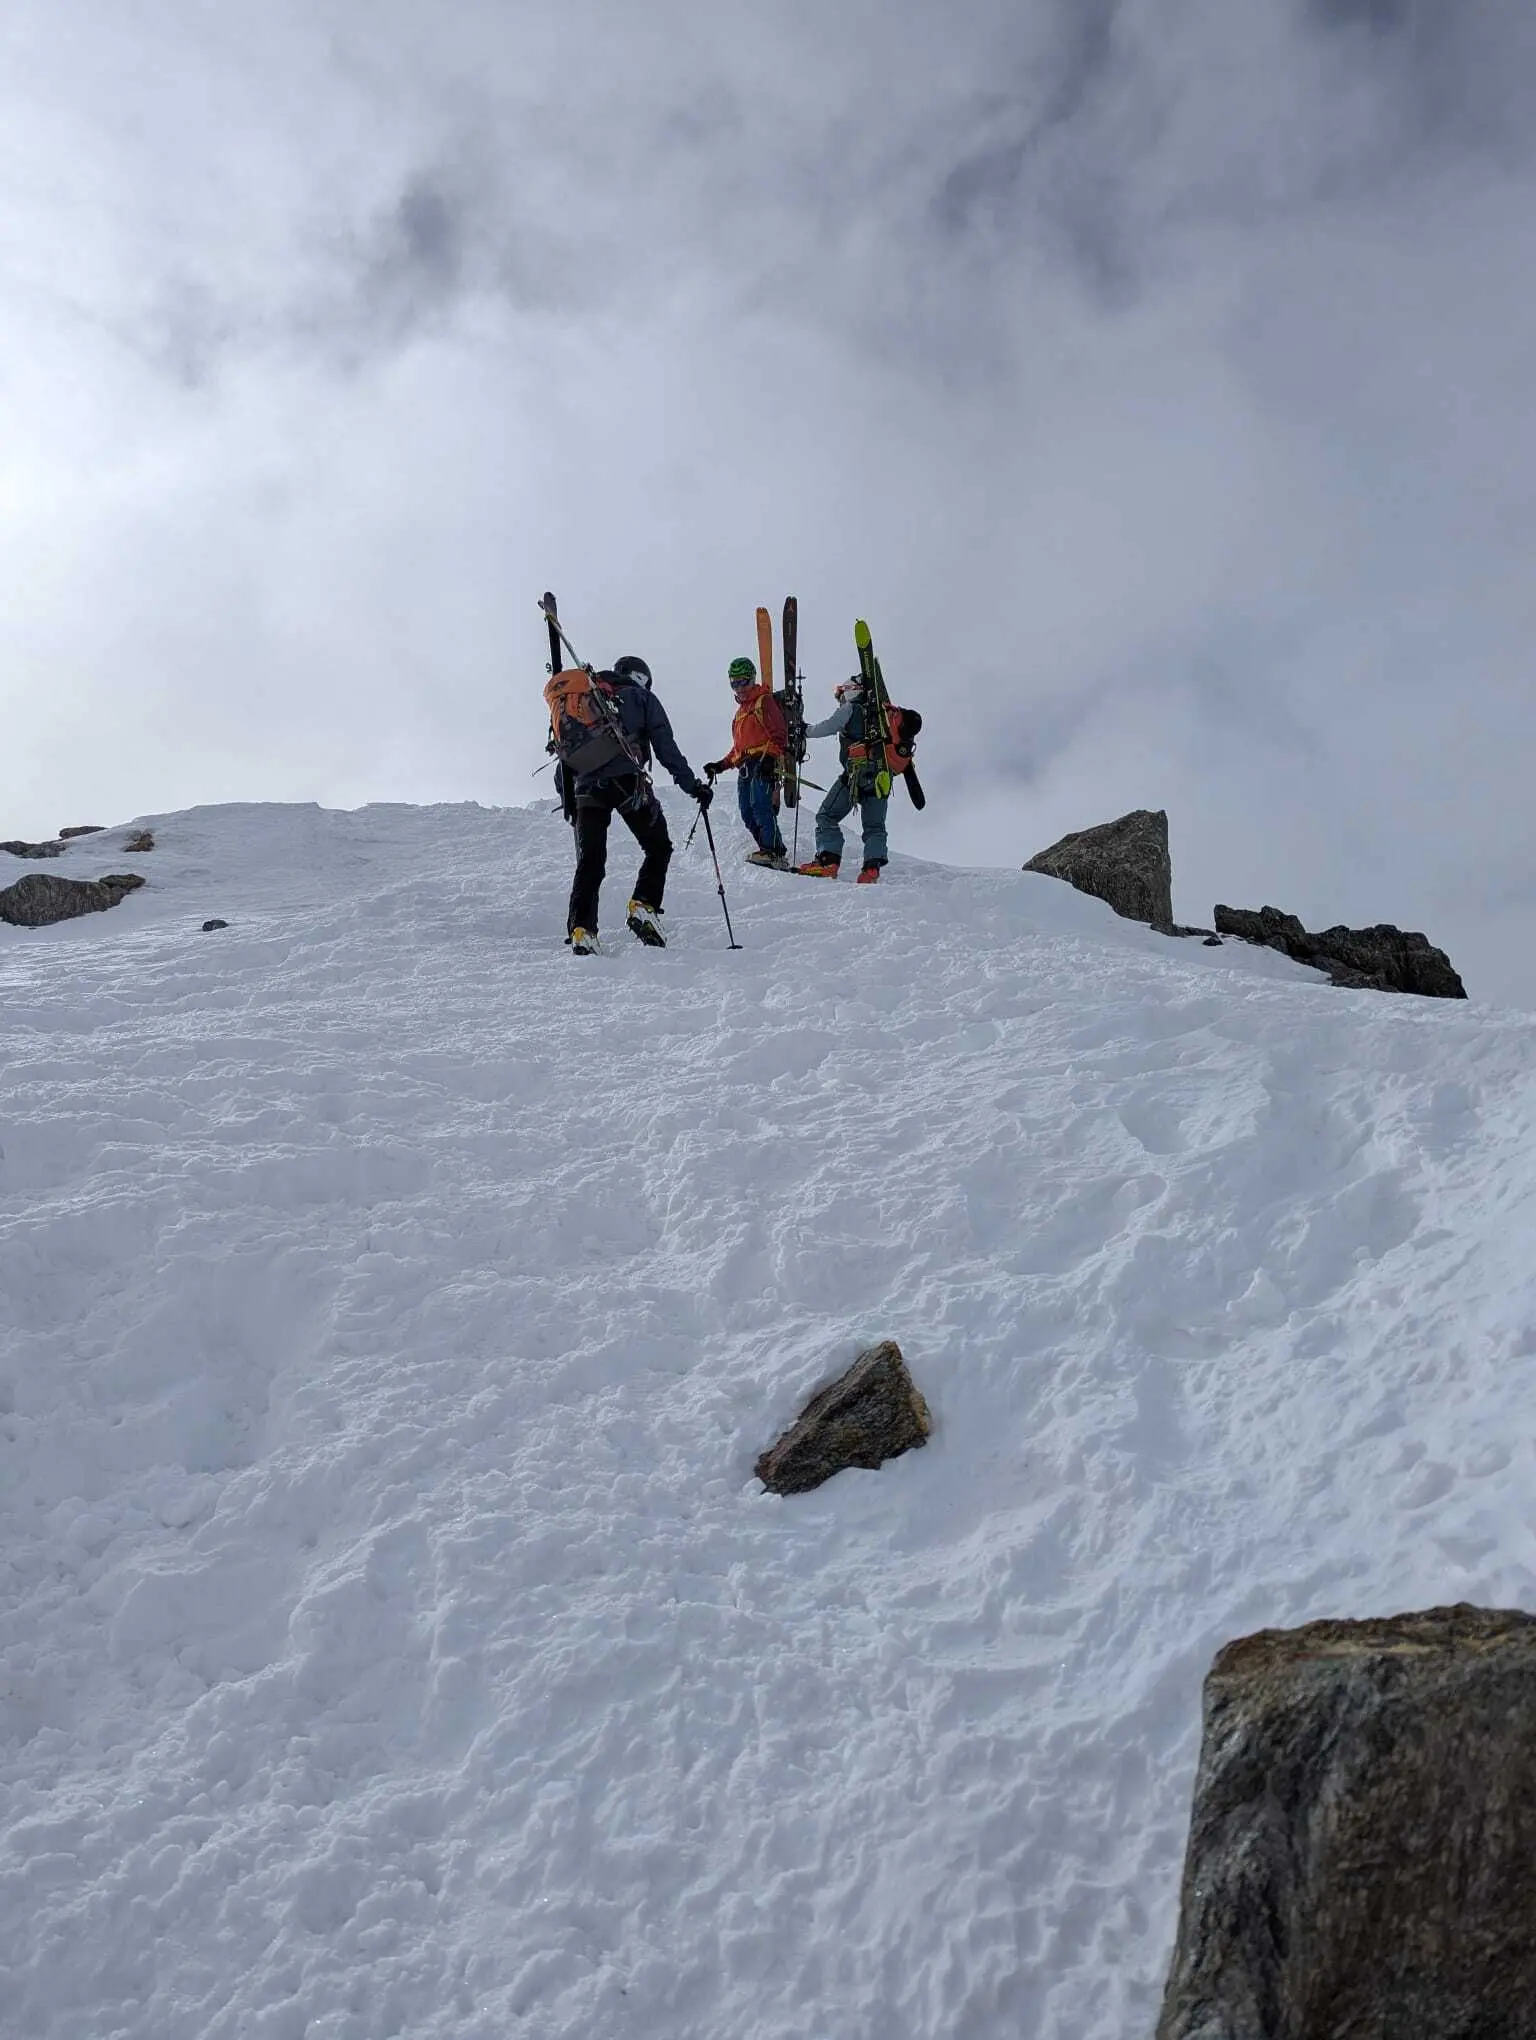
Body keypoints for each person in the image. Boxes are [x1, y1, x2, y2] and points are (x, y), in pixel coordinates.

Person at [556, 653, 712, 952]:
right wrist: (693, 787)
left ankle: (581, 929)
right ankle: (643, 906)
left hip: (586, 790)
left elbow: (565, 757)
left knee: (590, 860)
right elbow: (666, 748)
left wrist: (570, 801)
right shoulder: (641, 698)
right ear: (642, 678)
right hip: (627, 781)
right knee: (658, 847)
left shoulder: (585, 701)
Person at [795, 674, 889, 883]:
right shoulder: (883, 717)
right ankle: (871, 870)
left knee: (826, 816)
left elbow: (829, 726)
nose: (840, 699)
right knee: (874, 827)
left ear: (851, 690)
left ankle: (828, 862)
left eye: (841, 694)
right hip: (881, 778)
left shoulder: (851, 709)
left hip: (855, 776)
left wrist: (804, 730)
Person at [704, 656, 789, 868]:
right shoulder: (740, 713)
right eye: (734, 683)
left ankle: (773, 851)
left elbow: (779, 734)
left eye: (744, 681)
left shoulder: (764, 701)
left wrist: (771, 758)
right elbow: (738, 749)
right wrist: (720, 765)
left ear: (752, 679)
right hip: (745, 766)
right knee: (746, 812)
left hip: (763, 761)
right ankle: (767, 849)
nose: (740, 687)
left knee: (760, 805)